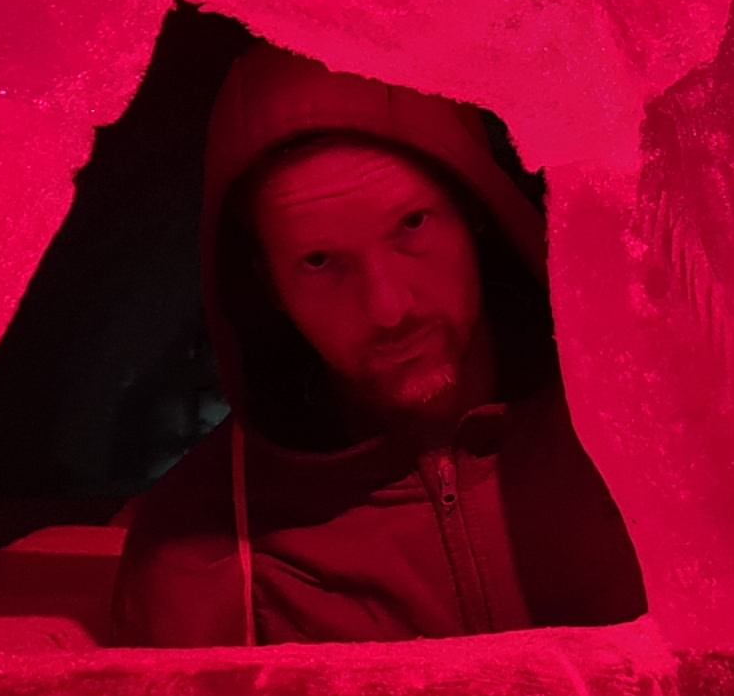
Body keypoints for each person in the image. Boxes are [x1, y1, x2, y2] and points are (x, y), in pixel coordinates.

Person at [106, 42, 648, 646]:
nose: (387, 307)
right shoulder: (203, 551)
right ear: (269, 284)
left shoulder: (649, 434)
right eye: (319, 261)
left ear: (473, 206)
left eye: (412, 225)